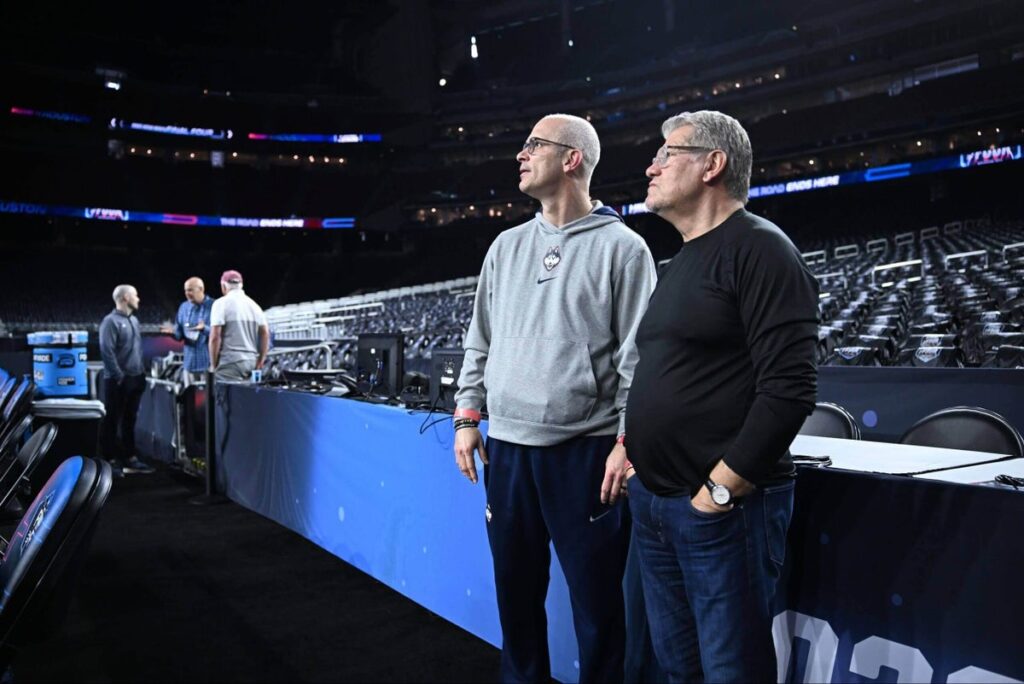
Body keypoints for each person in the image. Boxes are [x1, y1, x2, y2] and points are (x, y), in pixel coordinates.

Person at [453, 113, 657, 683]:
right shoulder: (505, 245)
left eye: (533, 145)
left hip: (585, 455)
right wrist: (467, 415)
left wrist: (626, 439)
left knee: (597, 607)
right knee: (515, 599)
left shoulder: (625, 249)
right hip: (509, 451)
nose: (520, 155)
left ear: (572, 159)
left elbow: (637, 361)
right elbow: (480, 339)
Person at [624, 110, 818, 682]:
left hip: (719, 513)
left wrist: (719, 492)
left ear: (712, 164)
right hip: (656, 505)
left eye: (667, 153)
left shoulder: (761, 249)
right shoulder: (680, 260)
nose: (650, 165)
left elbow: (789, 387)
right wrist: (630, 449)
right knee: (679, 669)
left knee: (732, 672)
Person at [99, 284, 156, 476]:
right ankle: (109, 460)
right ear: (124, 298)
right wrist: (119, 376)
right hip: (117, 380)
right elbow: (107, 352)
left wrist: (140, 374)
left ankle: (130, 457)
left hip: (136, 378)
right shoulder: (110, 322)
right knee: (112, 419)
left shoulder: (135, 321)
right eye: (135, 295)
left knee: (130, 420)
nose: (138, 299)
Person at [209, 269, 268, 382]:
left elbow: (215, 337)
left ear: (224, 286)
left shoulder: (220, 303)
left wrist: (213, 364)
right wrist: (261, 360)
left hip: (229, 362)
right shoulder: (255, 306)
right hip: (251, 362)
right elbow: (265, 333)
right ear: (241, 285)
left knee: (224, 398)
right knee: (245, 398)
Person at [160, 276, 215, 385]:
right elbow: (179, 335)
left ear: (201, 289)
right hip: (189, 365)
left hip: (209, 367)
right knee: (189, 399)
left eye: (190, 290)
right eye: (185, 290)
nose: (186, 293)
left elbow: (221, 334)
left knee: (208, 400)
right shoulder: (183, 307)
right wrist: (173, 333)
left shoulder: (215, 306)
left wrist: (204, 329)